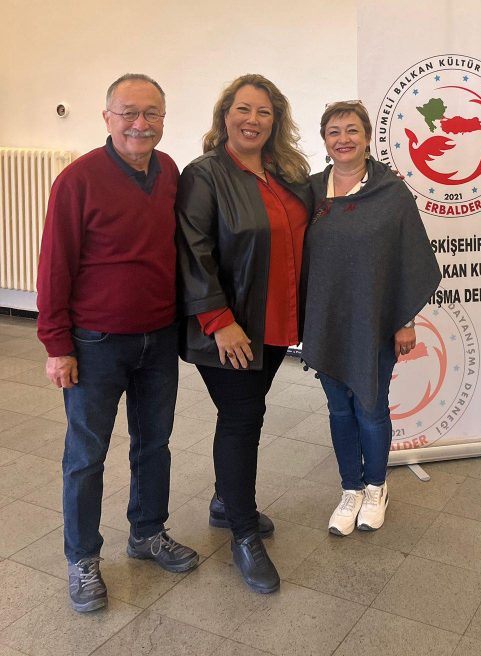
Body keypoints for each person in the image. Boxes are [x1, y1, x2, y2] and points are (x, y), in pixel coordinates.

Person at [37, 74, 199, 615]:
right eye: (128, 112)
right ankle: (82, 558)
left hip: (159, 337)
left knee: (154, 444)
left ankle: (147, 533)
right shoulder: (77, 180)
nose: (140, 124)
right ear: (107, 117)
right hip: (96, 343)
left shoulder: (169, 171)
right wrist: (57, 345)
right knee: (86, 455)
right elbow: (54, 267)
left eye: (152, 113)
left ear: (164, 119)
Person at [176, 74, 311, 593]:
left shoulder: (286, 172)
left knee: (248, 412)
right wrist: (219, 320)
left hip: (275, 322)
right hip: (229, 329)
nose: (252, 120)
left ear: (276, 121)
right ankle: (243, 532)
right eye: (243, 109)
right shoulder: (204, 175)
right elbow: (194, 250)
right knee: (241, 419)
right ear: (225, 115)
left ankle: (224, 500)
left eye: (264, 112)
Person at [301, 100, 441, 536]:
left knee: (370, 406)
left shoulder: (391, 192)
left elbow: (409, 256)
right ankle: (351, 489)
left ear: (367, 138)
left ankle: (377, 488)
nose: (343, 139)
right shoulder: (310, 191)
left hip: (375, 319)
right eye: (334, 132)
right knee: (338, 409)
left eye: (351, 130)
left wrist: (405, 319)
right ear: (324, 141)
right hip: (326, 319)